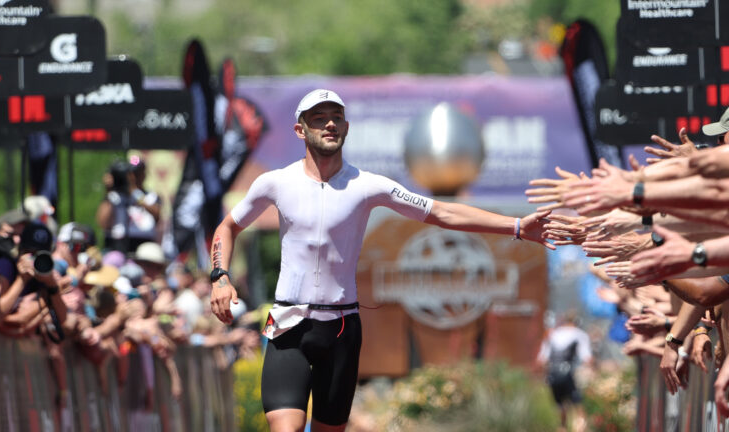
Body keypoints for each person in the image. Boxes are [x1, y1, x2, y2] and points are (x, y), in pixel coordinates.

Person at [209, 89, 554, 432]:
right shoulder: (275, 182)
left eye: (336, 118)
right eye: (319, 119)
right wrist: (220, 277)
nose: (329, 124)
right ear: (300, 130)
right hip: (288, 322)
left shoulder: (368, 185)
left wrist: (519, 226)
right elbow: (227, 226)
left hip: (342, 327)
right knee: (287, 428)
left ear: (346, 127)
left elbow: (442, 212)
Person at [536, 310, 593, 432]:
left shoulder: (551, 334)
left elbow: (541, 359)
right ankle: (581, 427)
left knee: (560, 405)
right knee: (578, 404)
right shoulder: (579, 334)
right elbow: (587, 358)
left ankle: (562, 428)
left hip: (553, 374)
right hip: (568, 373)